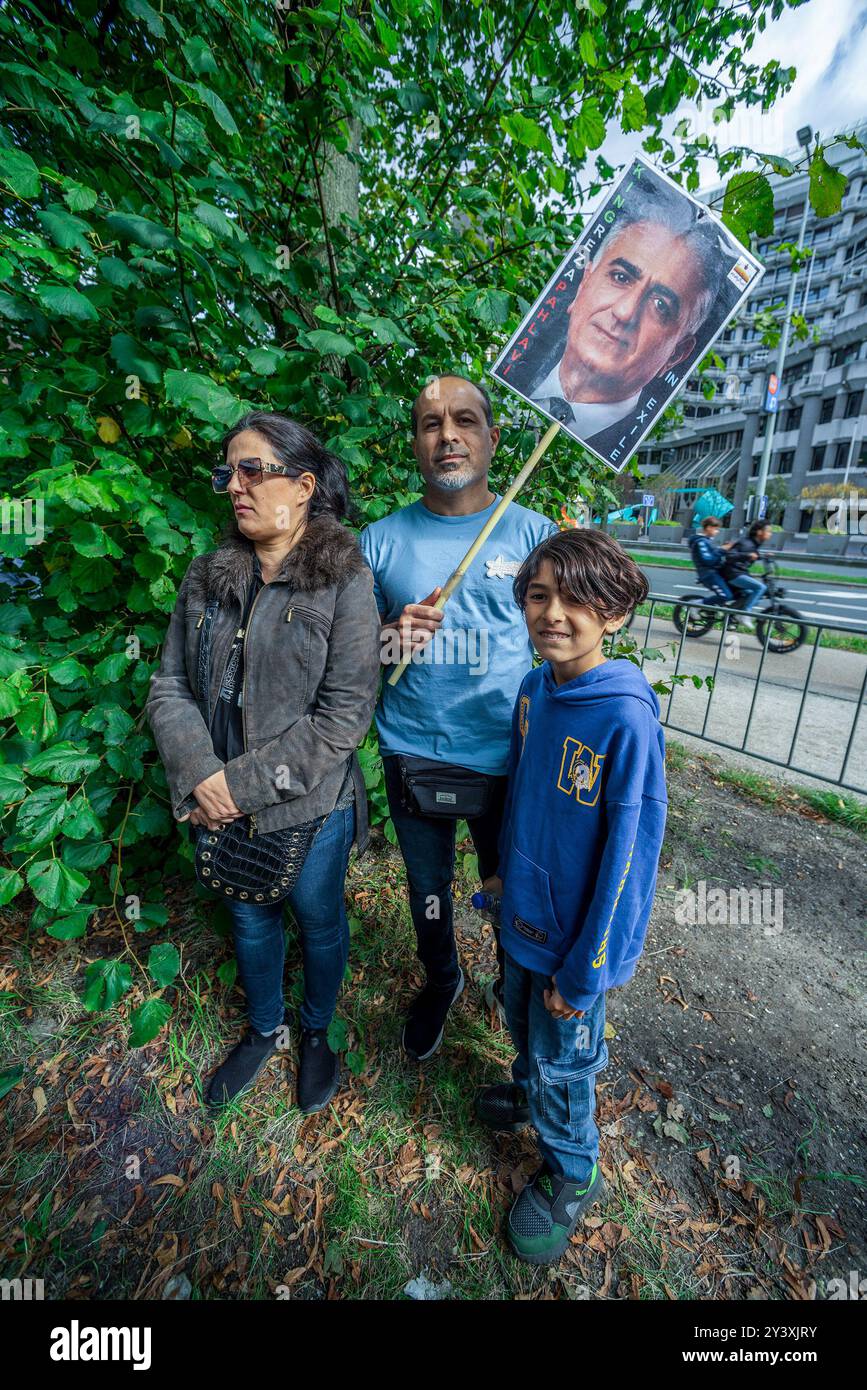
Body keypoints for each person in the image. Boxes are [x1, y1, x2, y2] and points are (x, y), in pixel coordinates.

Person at [145, 411, 381, 1114]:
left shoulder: (344, 581)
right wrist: (200, 775)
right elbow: (169, 685)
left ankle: (315, 1034)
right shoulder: (207, 574)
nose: (234, 486)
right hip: (215, 796)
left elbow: (342, 716)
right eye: (227, 472)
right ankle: (262, 1029)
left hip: (308, 805)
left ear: (303, 485)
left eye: (251, 469)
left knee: (316, 916)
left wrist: (239, 788)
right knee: (249, 918)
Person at [474, 529, 667, 1265]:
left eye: (576, 598)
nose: (553, 613)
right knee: (522, 1028)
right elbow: (520, 792)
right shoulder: (533, 691)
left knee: (565, 1063)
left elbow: (629, 860)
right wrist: (497, 874)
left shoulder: (624, 718)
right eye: (537, 595)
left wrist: (586, 970)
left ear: (613, 613)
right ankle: (527, 1095)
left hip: (573, 948)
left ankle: (570, 1169)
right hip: (521, 917)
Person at [358, 374, 557, 1062]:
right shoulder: (378, 542)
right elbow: (350, 656)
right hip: (414, 749)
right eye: (430, 424)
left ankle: (513, 983)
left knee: (509, 888)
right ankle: (442, 978)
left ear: (492, 438)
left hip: (511, 756)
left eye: (465, 420)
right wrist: (389, 636)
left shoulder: (534, 535)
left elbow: (565, 645)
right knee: (428, 889)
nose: (448, 435)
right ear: (414, 444)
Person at [527, 195, 724, 459]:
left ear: (676, 353)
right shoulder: (522, 371)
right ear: (584, 283)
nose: (624, 312)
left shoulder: (605, 454)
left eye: (660, 305)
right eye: (620, 277)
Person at [721, 520, 771, 631]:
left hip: (740, 573)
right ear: (759, 532)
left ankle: (731, 614)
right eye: (768, 531)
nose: (770, 534)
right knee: (760, 587)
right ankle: (744, 615)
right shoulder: (746, 543)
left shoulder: (754, 544)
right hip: (732, 574)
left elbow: (751, 555)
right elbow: (730, 555)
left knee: (755, 595)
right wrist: (747, 555)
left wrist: (764, 556)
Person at [687, 515, 734, 602]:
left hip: (714, 573)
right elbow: (708, 560)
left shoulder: (707, 541)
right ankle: (696, 605)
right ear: (708, 528)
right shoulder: (701, 542)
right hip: (709, 574)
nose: (717, 532)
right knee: (726, 596)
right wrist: (722, 550)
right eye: (716, 529)